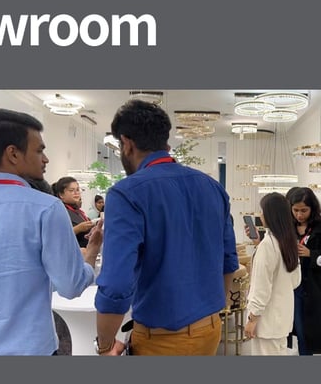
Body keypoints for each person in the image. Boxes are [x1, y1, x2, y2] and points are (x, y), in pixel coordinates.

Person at [94, 100, 238, 356]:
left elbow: (116, 285)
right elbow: (228, 262)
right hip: (211, 329)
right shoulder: (213, 187)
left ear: (126, 143)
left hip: (161, 338)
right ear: (165, 143)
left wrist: (105, 345)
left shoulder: (126, 193)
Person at [0, 109, 98, 355]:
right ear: (13, 154)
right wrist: (92, 253)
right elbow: (70, 285)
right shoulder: (46, 207)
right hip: (30, 345)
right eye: (39, 151)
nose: (46, 159)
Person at [244, 193, 303, 356]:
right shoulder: (288, 242)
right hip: (281, 319)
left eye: (262, 211)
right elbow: (295, 281)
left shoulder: (268, 245)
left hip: (266, 322)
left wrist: (252, 319)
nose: (260, 215)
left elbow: (261, 288)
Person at [288, 187, 321, 356]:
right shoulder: (288, 229)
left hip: (318, 290)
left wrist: (312, 255)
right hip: (295, 289)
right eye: (295, 210)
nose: (299, 215)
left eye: (304, 210)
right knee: (302, 335)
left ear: (312, 208)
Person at [53, 176, 96, 248]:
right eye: (71, 190)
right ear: (61, 195)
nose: (76, 193)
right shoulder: (58, 211)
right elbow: (57, 237)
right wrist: (78, 229)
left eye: (78, 189)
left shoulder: (78, 211)